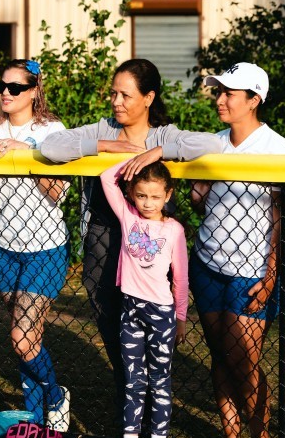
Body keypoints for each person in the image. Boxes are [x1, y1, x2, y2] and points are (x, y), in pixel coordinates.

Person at [39, 59, 221, 410]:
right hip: (103, 238)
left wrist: (158, 151)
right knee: (112, 322)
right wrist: (106, 147)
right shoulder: (102, 130)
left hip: (147, 244)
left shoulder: (162, 135)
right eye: (113, 93)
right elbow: (51, 146)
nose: (116, 101)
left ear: (149, 97)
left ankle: (156, 402)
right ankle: (130, 393)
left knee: (151, 328)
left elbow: (212, 144)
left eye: (126, 94)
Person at [188, 62, 285, 437]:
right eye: (218, 92)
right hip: (206, 265)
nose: (219, 99)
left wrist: (270, 275)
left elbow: (283, 222)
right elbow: (201, 203)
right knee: (220, 356)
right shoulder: (212, 142)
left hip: (249, 271)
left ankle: (259, 433)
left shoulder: (278, 149)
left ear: (254, 100)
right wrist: (196, 190)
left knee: (244, 362)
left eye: (229, 93)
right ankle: (231, 432)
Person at [0, 59, 71, 430]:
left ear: (33, 91)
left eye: (15, 87)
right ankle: (36, 417)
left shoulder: (52, 130)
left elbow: (57, 191)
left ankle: (56, 396)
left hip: (44, 246)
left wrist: (23, 151)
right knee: (25, 336)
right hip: (2, 244)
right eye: (1, 86)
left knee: (22, 339)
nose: (5, 94)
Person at [100, 158, 188, 438]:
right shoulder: (128, 217)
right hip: (130, 310)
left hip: (161, 313)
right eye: (141, 195)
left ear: (168, 195)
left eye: (155, 197)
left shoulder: (174, 230)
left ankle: (159, 434)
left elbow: (181, 278)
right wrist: (139, 158)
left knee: (160, 382)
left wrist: (181, 317)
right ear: (130, 193)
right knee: (133, 381)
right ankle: (131, 433)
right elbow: (106, 176)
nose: (148, 203)